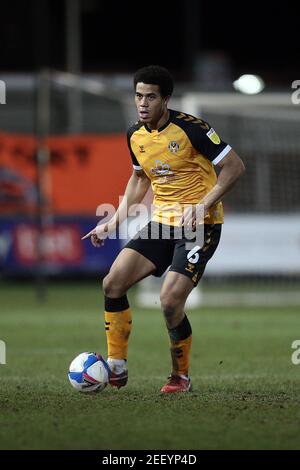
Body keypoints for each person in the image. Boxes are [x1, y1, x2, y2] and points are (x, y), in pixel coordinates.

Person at [82, 65, 245, 393]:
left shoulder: (192, 129)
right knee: (113, 283)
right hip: (162, 224)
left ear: (166, 99)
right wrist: (113, 221)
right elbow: (139, 178)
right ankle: (116, 365)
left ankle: (180, 376)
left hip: (201, 225)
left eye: (151, 97)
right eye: (138, 96)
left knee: (170, 301)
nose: (142, 103)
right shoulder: (135, 135)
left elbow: (234, 166)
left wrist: (203, 205)